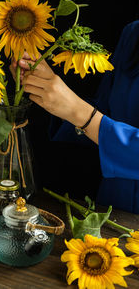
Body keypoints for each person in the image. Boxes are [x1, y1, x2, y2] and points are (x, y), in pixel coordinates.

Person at [10, 21, 139, 213]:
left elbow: (90, 117)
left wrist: (79, 112)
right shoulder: (133, 34)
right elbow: (105, 112)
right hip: (111, 208)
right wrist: (47, 89)